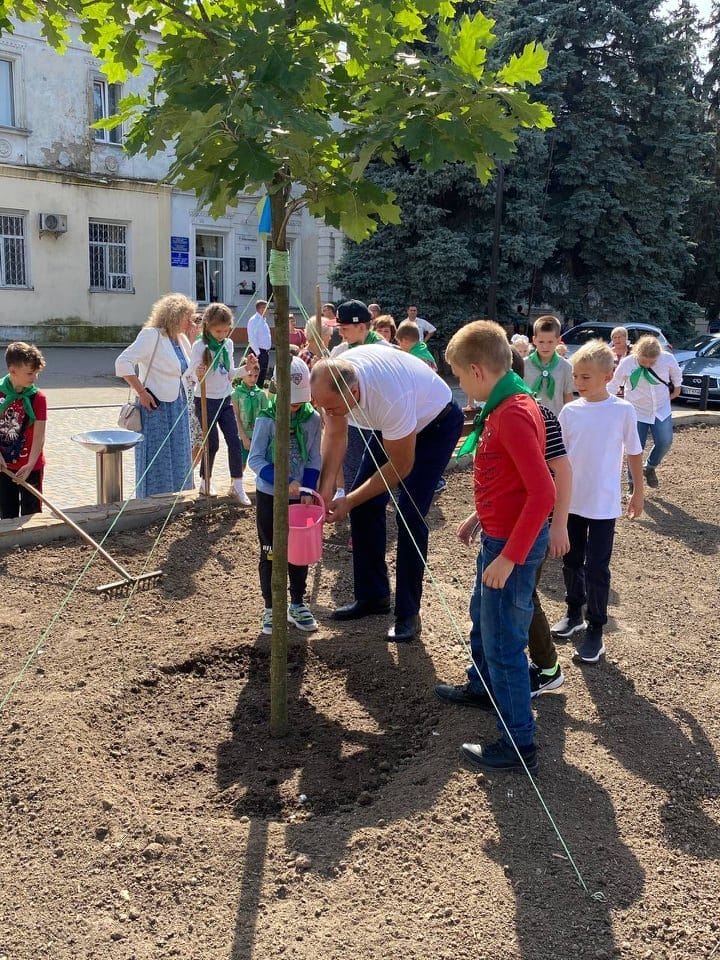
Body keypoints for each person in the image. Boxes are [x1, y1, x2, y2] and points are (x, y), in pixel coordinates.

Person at [434, 321, 555, 774]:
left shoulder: (513, 414)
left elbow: (542, 493)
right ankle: (483, 687)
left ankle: (519, 744)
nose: (461, 388)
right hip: (498, 534)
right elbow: (507, 483)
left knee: (505, 638)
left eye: (461, 379)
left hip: (512, 546)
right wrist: (479, 518)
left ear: (479, 371)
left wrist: (508, 556)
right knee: (481, 614)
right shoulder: (505, 403)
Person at [311, 346, 464, 643]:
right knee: (364, 506)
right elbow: (335, 433)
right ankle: (373, 596)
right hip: (392, 426)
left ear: (354, 393)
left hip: (436, 423)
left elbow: (401, 466)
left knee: (409, 513)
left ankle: (408, 614)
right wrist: (326, 489)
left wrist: (350, 498)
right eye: (323, 407)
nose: (328, 413)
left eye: (333, 407)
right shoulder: (336, 383)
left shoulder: (389, 397)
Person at [554, 340, 644, 663]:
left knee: (597, 568)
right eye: (576, 376)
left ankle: (596, 628)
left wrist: (638, 490)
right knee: (570, 560)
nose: (578, 383)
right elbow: (558, 456)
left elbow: (634, 451)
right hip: (571, 502)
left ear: (607, 376)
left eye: (586, 377)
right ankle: (573, 612)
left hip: (604, 505)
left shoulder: (623, 411)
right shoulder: (569, 411)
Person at [248, 356, 322, 635]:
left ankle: (298, 603)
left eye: (301, 402)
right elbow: (254, 460)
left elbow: (314, 457)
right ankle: (270, 608)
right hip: (270, 496)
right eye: (291, 401)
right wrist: (283, 481)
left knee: (298, 552)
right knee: (270, 550)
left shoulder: (312, 419)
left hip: (299, 499)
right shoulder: (267, 419)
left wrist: (306, 490)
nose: (295, 407)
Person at [116, 293, 196, 498]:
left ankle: (178, 498)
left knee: (179, 455)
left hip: (177, 404)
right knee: (157, 457)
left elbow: (189, 371)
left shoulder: (181, 339)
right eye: (188, 317)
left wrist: (194, 339)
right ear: (174, 316)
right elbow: (122, 363)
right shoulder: (151, 335)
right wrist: (141, 392)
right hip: (155, 406)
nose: (191, 321)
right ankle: (152, 502)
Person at [186, 302, 253, 504]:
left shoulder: (228, 345)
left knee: (234, 440)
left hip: (224, 398)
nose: (222, 334)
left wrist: (246, 369)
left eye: (226, 330)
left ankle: (237, 485)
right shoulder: (200, 346)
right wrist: (199, 374)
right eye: (218, 331)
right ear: (207, 326)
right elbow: (190, 375)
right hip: (205, 400)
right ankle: (205, 481)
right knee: (212, 443)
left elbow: (230, 374)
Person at [608, 334, 682, 490]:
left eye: (652, 362)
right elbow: (614, 383)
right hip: (636, 411)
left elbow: (676, 373)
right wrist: (607, 404)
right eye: (644, 361)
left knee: (665, 441)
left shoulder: (667, 358)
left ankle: (649, 467)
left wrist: (677, 388)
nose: (648, 365)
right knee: (635, 448)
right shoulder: (628, 363)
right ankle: (632, 484)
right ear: (637, 354)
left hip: (660, 409)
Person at [0, 342, 47, 519]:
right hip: (4, 468)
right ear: (12, 371)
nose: (34, 378)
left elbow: (39, 435)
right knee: (7, 515)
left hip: (31, 467)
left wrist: (30, 464)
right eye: (29, 373)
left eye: (36, 373)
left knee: (32, 516)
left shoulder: (38, 398)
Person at [523, 314, 575, 417]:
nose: (545, 346)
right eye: (541, 341)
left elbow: (568, 397)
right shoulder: (524, 365)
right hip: (529, 420)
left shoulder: (566, 367)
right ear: (534, 340)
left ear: (558, 340)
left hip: (556, 421)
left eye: (550, 342)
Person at [232, 361, 269, 472]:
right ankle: (234, 486)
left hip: (258, 435)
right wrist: (244, 437)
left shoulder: (261, 394)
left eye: (256, 376)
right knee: (240, 464)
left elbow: (265, 417)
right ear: (242, 374)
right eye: (249, 375)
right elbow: (236, 416)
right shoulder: (236, 394)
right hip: (241, 435)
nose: (253, 379)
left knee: (260, 463)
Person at [247, 299, 272, 387]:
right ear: (262, 309)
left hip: (264, 352)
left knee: (262, 374)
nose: (269, 311)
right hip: (258, 352)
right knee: (255, 374)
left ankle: (259, 391)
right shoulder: (254, 320)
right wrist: (257, 353)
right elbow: (252, 338)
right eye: (267, 308)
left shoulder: (263, 320)